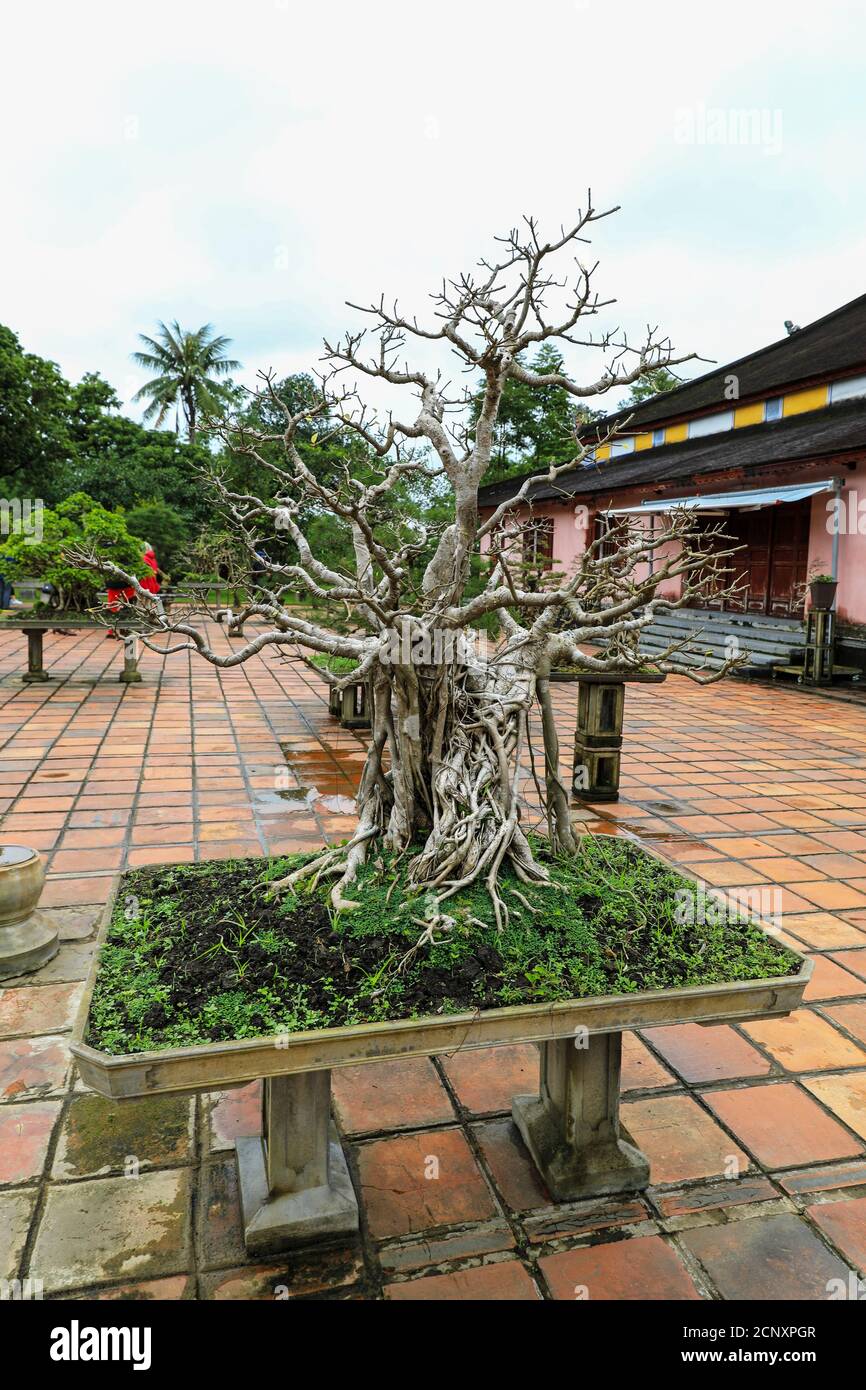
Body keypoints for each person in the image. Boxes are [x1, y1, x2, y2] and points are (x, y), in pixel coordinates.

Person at [106, 543, 161, 637]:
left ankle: (117, 630)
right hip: (135, 587)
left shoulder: (140, 559)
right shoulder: (143, 559)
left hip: (123, 586)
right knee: (134, 607)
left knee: (116, 608)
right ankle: (132, 629)